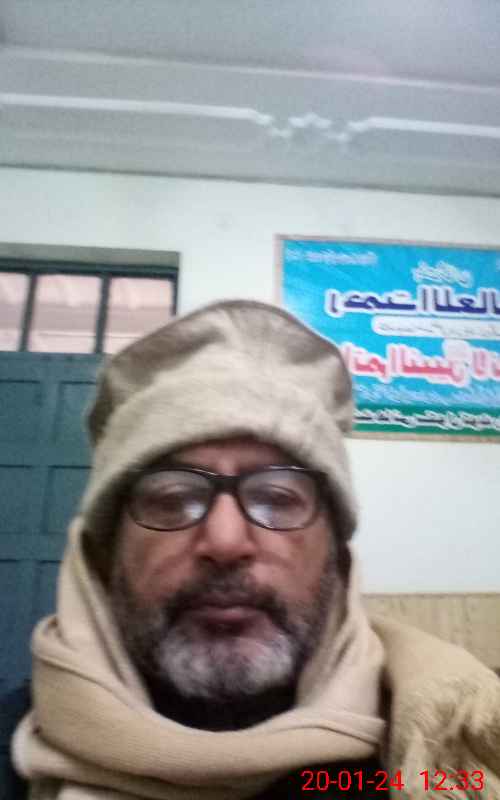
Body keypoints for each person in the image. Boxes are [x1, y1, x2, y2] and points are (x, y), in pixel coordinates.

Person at [12, 299, 500, 799]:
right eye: (173, 500)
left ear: (335, 557)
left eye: (277, 499)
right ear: (105, 554)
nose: (226, 542)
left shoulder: (449, 749)